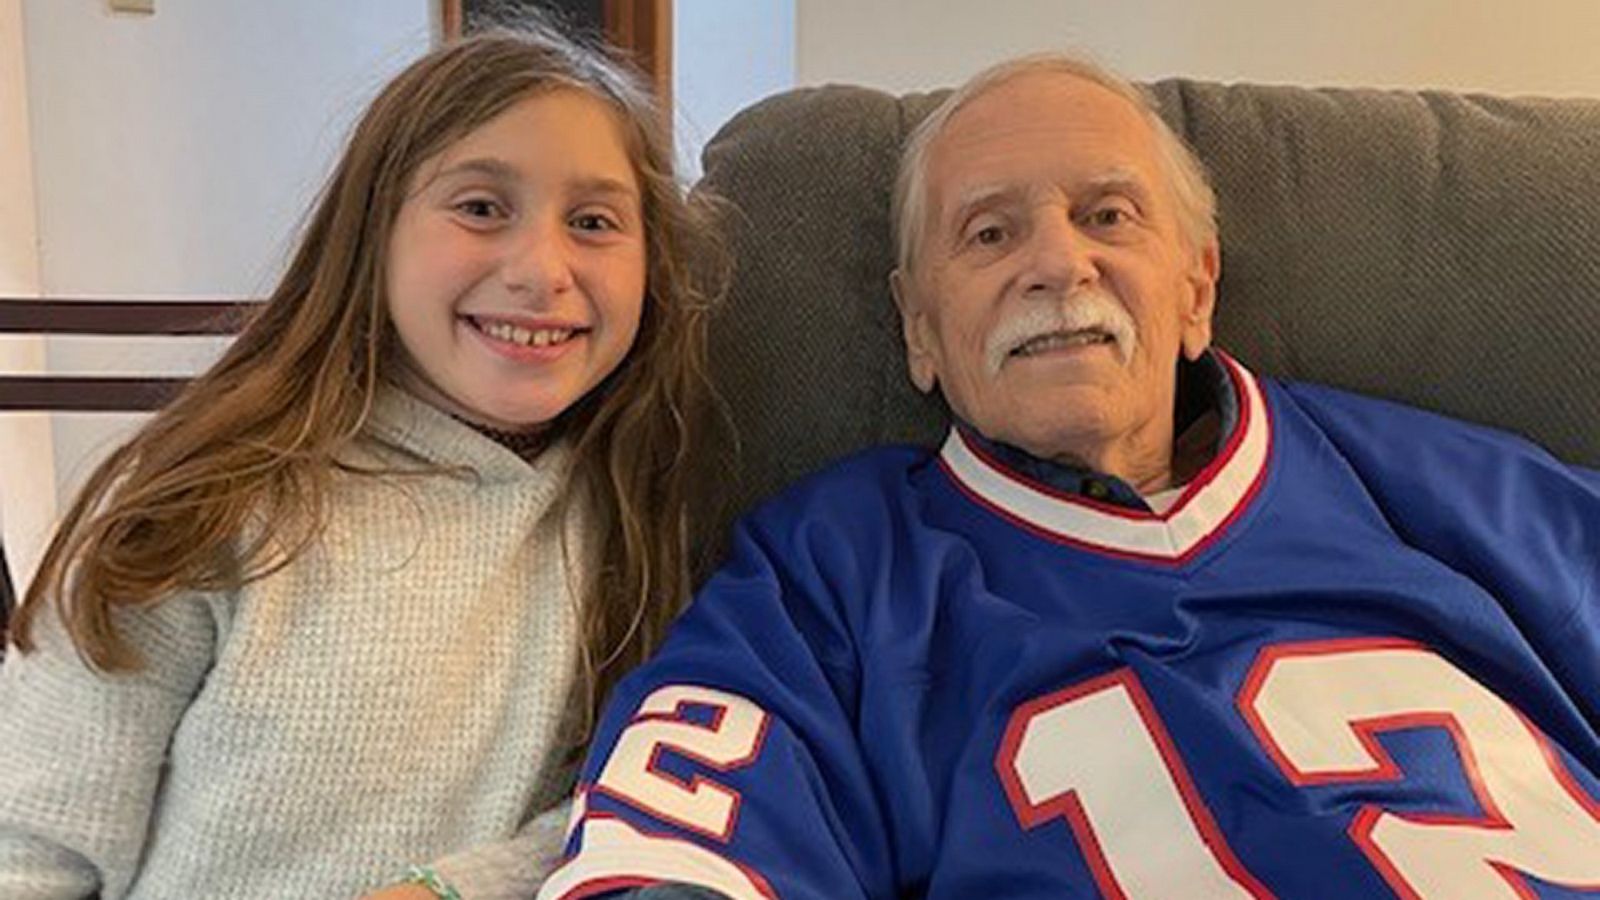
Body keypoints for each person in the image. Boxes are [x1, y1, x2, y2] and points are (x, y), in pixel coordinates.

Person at [537, 54, 1600, 899]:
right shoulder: (831, 569)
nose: (1056, 263)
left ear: (1197, 288)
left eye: (1107, 216)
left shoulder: (1446, 485)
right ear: (919, 329)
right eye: (989, 232)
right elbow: (683, 846)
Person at [0, 23, 724, 900]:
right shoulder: (209, 496)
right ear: (372, 231)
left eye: (594, 222)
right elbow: (29, 849)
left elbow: (626, 800)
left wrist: (451, 890)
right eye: (481, 207)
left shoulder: (644, 509)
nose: (542, 270)